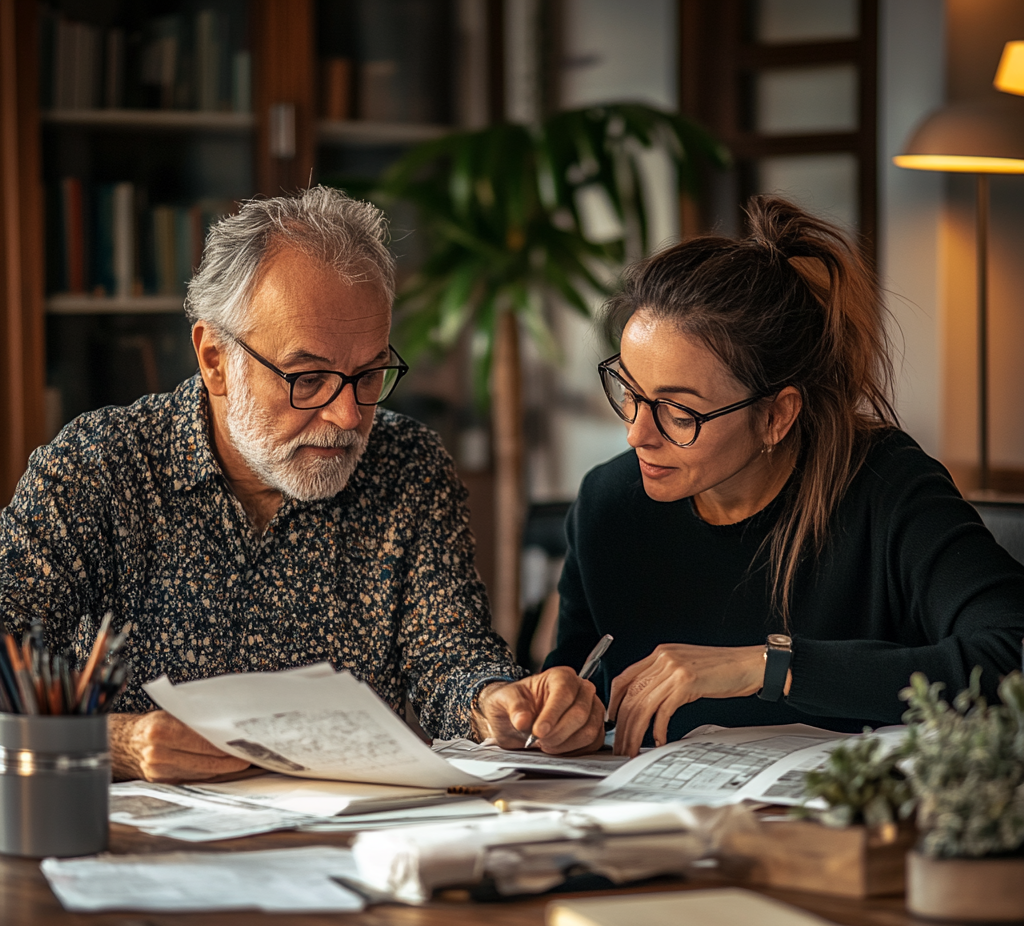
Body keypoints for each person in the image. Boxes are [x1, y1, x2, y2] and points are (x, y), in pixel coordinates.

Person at [0, 187, 604, 781]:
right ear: (215, 359)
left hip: (352, 842)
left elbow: (449, 656)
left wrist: (499, 701)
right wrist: (119, 744)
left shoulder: (406, 464)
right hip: (145, 848)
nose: (347, 418)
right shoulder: (98, 470)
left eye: (369, 375)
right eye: (308, 378)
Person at [544, 196, 1024, 757]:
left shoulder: (886, 487)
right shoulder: (609, 503)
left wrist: (769, 666)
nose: (636, 433)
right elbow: (577, 675)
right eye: (629, 392)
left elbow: (1011, 654)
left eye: (679, 413)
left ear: (776, 415)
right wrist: (560, 706)